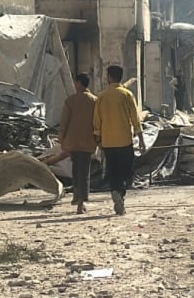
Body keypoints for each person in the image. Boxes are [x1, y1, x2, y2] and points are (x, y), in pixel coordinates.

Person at [93, 65, 146, 215]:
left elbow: (97, 122)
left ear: (109, 76)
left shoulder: (101, 97)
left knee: (113, 170)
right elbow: (135, 119)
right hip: (124, 141)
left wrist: (98, 141)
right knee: (126, 170)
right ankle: (120, 193)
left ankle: (115, 191)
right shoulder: (127, 95)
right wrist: (141, 140)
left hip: (108, 142)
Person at [59, 73, 98, 214]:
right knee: (84, 172)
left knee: (76, 170)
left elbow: (64, 122)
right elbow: (98, 122)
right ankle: (81, 201)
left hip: (73, 141)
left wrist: (61, 139)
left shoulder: (70, 101)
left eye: (76, 82)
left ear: (79, 83)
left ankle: (77, 197)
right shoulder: (95, 101)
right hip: (88, 142)